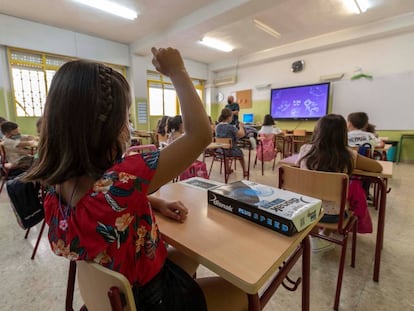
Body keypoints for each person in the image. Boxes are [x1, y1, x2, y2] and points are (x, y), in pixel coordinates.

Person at [24, 47, 246, 311]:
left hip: (111, 294)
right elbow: (199, 134)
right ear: (106, 127)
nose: (128, 126)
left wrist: (151, 201)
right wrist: (177, 71)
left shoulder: (52, 184)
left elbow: (100, 207)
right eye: (126, 117)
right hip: (151, 300)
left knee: (190, 253)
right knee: (242, 293)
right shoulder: (123, 179)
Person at [296, 114, 382, 251]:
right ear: (343, 133)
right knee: (333, 203)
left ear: (317, 131)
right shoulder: (348, 154)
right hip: (334, 217)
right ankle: (325, 235)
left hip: (305, 212)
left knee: (315, 197)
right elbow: (378, 168)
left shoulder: (305, 150)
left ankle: (315, 237)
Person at [215, 108, 248, 178]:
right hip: (231, 151)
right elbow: (242, 134)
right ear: (229, 117)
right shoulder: (230, 127)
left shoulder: (217, 127)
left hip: (220, 150)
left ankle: (228, 169)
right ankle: (245, 171)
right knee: (240, 154)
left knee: (226, 149)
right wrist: (241, 126)